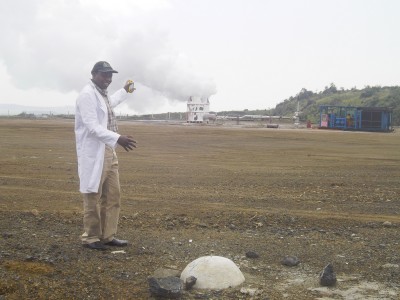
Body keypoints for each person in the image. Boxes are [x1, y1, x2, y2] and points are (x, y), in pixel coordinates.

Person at [75, 61, 136, 250]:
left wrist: (125, 91)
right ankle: (91, 237)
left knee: (113, 195)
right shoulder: (87, 95)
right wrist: (119, 138)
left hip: (108, 150)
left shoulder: (101, 94)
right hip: (95, 151)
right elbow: (92, 127)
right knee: (93, 194)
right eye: (104, 75)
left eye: (110, 76)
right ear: (93, 74)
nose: (108, 79)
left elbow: (111, 103)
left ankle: (108, 235)